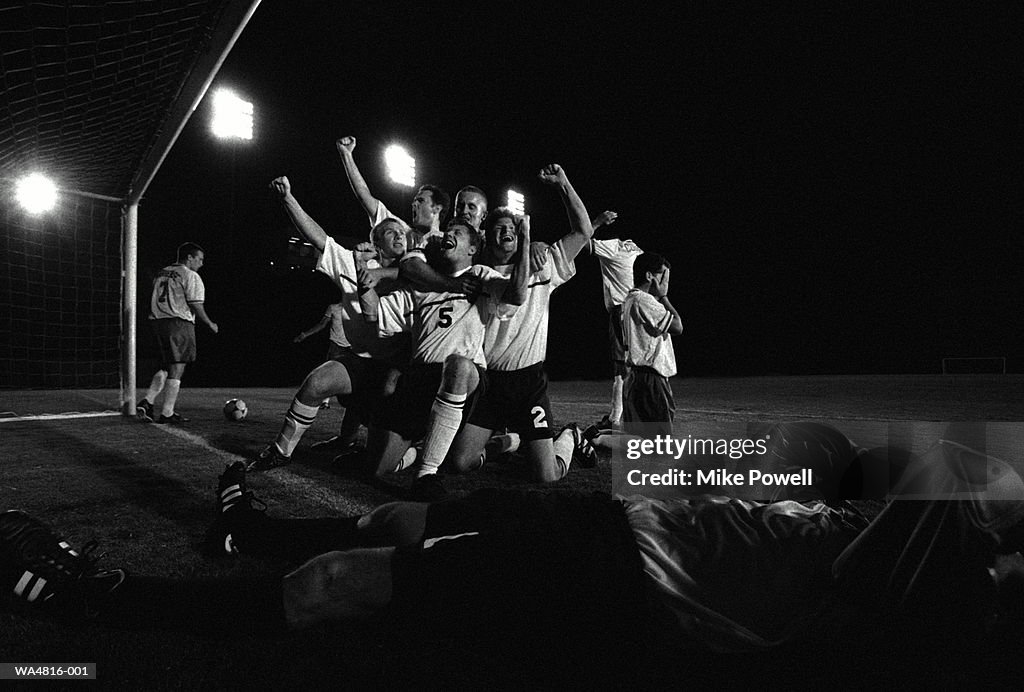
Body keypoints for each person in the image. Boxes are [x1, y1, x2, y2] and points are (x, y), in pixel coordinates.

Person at [5, 424, 1021, 687]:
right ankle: (249, 528)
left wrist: (977, 509)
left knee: (342, 587)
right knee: (401, 520)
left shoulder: (943, 558)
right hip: (613, 533)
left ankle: (103, 603)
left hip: (626, 586)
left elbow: (905, 553)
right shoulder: (932, 518)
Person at [446, 164, 597, 482]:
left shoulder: (543, 265)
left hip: (528, 384)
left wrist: (563, 184)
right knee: (460, 463)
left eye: (511, 229)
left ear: (520, 236)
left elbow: (583, 232)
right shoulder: (474, 271)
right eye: (498, 228)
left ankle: (568, 437)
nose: (505, 232)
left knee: (546, 476)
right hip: (490, 384)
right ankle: (512, 440)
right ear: (487, 236)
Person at [358, 218, 528, 500]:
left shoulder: (481, 275)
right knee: (375, 469)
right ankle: (416, 452)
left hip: (466, 378)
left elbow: (518, 294)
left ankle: (427, 473)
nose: (449, 235)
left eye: (458, 233)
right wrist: (363, 279)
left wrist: (525, 242)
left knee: (458, 364)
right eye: (447, 232)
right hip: (419, 380)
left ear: (473, 248)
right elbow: (374, 316)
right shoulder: (423, 284)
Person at [250, 177, 409, 471]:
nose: (400, 235)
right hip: (360, 359)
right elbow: (319, 237)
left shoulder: (416, 273)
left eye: (403, 232)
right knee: (315, 383)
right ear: (375, 241)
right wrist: (288, 198)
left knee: (380, 454)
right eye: (391, 231)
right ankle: (281, 451)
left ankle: (413, 456)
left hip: (399, 367)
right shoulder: (352, 262)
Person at [136, 242, 218, 425]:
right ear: (189, 257)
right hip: (178, 322)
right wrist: (210, 323)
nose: (201, 263)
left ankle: (148, 401)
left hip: (157, 322)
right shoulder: (191, 275)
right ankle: (167, 413)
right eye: (200, 259)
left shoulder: (161, 272)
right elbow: (195, 303)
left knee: (166, 364)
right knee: (178, 366)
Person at [580, 211, 642, 432]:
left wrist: (596, 223)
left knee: (620, 367)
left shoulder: (615, 247)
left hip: (622, 309)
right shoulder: (636, 250)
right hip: (639, 309)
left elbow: (582, 242)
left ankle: (616, 419)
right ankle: (630, 416)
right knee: (636, 364)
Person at [619, 252, 683, 435]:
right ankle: (591, 439)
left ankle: (596, 438)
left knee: (638, 441)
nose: (665, 284)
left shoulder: (630, 298)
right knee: (661, 443)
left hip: (636, 377)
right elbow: (678, 326)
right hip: (651, 379)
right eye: (663, 277)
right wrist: (663, 297)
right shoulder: (645, 300)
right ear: (649, 276)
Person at [293, 301, 364, 450]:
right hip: (336, 347)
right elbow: (322, 324)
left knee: (355, 395)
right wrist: (305, 334)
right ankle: (325, 403)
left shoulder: (359, 306)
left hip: (353, 349)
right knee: (323, 378)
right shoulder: (333, 307)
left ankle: (349, 438)